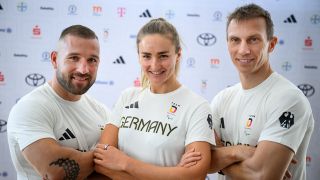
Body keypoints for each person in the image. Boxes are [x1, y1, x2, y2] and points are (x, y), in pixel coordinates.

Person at [207, 3, 314, 180]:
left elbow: (263, 175)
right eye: (235, 40)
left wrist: (219, 156)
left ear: (271, 44)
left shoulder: (289, 99)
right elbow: (200, 160)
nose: (243, 50)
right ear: (227, 44)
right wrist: (237, 152)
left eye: (253, 39)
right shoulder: (221, 99)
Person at [7, 25, 117, 180]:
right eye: (74, 58)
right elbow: (57, 172)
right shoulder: (30, 107)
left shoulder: (101, 110)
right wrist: (107, 156)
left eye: (92, 60)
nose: (83, 69)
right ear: (54, 59)